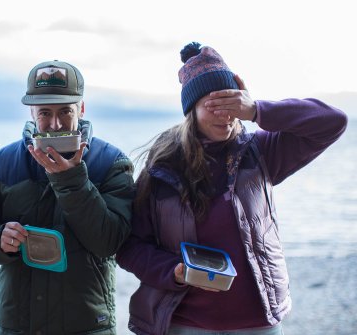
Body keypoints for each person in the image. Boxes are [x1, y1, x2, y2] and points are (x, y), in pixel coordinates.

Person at [116, 42, 348, 335]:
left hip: (258, 323)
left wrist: (256, 110)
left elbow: (333, 122)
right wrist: (173, 271)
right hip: (184, 323)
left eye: (231, 102)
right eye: (214, 104)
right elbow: (131, 247)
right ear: (192, 110)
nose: (225, 113)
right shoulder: (164, 167)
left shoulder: (260, 153)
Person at [0, 60, 135, 334]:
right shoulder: (1, 163)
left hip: (87, 325)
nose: (55, 124)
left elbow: (110, 242)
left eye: (65, 111)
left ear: (81, 108)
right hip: (20, 326)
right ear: (32, 111)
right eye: (45, 112)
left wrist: (71, 181)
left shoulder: (112, 162)